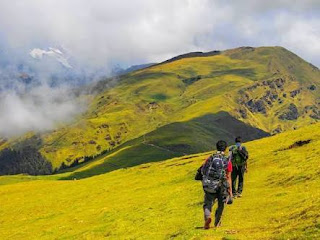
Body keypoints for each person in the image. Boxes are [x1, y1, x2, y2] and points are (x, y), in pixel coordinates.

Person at [195, 140, 233, 229]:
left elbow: (203, 169)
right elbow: (228, 177)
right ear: (226, 148)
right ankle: (217, 223)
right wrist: (230, 191)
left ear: (216, 147)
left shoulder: (210, 157)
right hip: (221, 186)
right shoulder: (227, 160)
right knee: (221, 204)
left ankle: (207, 217)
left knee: (208, 203)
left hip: (209, 184)